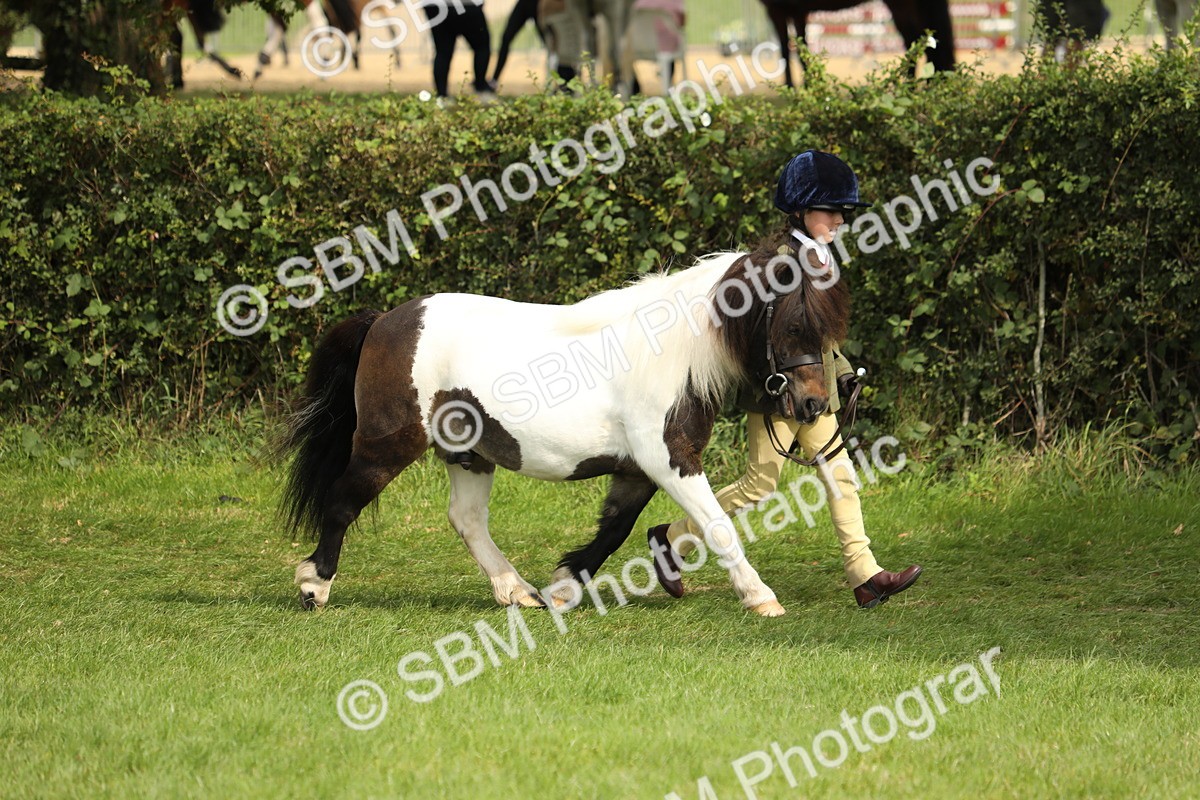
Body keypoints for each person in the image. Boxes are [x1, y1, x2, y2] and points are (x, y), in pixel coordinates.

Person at [646, 150, 924, 610]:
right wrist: (780, 384)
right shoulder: (777, 266)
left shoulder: (822, 259)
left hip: (817, 391)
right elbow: (757, 337)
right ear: (801, 210)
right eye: (831, 210)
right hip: (779, 395)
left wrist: (841, 374)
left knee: (840, 475)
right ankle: (672, 538)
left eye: (843, 212)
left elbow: (818, 336)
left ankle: (866, 575)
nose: (840, 220)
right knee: (760, 485)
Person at [420, 0, 495, 100]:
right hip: (467, 4)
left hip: (435, 5)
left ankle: (441, 96)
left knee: (442, 52)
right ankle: (481, 89)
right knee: (481, 47)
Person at [492, 0, 544, 86]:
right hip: (525, 3)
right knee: (506, 38)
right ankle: (494, 80)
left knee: (551, 42)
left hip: (540, 3)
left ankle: (560, 81)